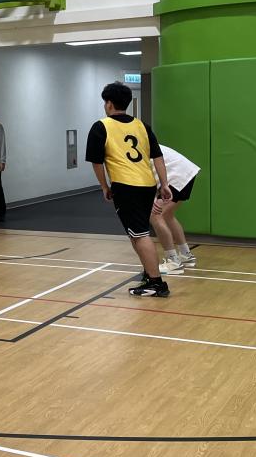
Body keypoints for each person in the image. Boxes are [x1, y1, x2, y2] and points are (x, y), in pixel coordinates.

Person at [85, 81, 173, 298]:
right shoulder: (142, 125)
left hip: (126, 186)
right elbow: (157, 156)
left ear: (108, 103)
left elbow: (96, 162)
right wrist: (164, 184)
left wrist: (104, 186)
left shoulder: (101, 126)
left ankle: (157, 283)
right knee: (136, 233)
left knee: (140, 234)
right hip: (147, 185)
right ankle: (149, 276)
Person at [152, 144, 200, 275]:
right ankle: (186, 255)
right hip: (185, 172)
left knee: (156, 215)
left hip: (177, 175)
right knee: (167, 215)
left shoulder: (138, 147)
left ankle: (173, 262)